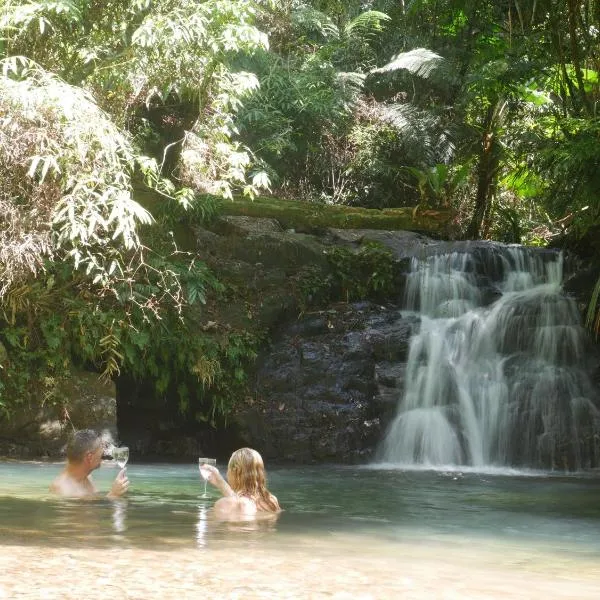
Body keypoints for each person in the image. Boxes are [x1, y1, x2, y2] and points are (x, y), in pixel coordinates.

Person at [201, 448, 280, 518]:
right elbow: (239, 503)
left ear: (234, 472)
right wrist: (220, 483)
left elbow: (206, 530)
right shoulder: (271, 501)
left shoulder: (224, 504)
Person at [49, 429, 129, 499]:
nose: (104, 451)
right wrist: (113, 494)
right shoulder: (63, 489)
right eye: (101, 448)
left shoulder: (86, 477)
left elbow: (94, 501)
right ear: (89, 457)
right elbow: (86, 514)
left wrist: (116, 491)